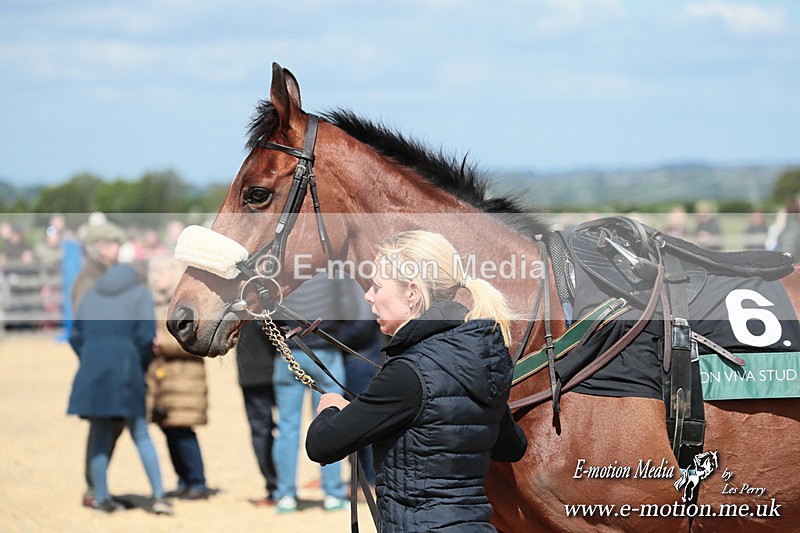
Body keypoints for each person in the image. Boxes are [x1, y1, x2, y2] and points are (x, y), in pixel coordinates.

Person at [306, 230, 528, 532]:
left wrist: (331, 408)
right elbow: (511, 447)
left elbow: (321, 444)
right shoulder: (479, 359)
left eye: (377, 286)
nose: (368, 296)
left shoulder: (408, 371)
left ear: (412, 293)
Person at [67, 263, 173, 515]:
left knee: (99, 437)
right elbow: (146, 337)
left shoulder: (90, 296)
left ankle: (101, 500)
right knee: (141, 434)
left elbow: (75, 337)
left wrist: (90, 358)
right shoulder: (140, 295)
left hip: (93, 374)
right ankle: (159, 496)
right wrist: (139, 363)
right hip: (127, 372)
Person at [271, 273, 348, 513]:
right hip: (325, 351)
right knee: (333, 423)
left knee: (287, 426)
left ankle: (285, 495)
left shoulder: (280, 275)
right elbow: (347, 310)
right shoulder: (332, 274)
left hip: (288, 353)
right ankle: (333, 494)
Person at [70, 219, 128, 508]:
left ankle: (97, 486)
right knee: (102, 428)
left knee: (110, 426)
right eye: (112, 243)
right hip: (103, 366)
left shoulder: (106, 276)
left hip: (113, 365)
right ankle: (94, 490)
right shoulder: (88, 282)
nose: (117, 249)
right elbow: (84, 332)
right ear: (98, 248)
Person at [146, 254, 210, 500]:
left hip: (185, 378)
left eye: (162, 272)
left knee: (183, 431)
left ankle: (197, 481)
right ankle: (183, 480)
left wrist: (162, 343)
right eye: (155, 273)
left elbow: (194, 339)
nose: (157, 278)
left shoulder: (186, 304)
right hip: (163, 379)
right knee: (169, 431)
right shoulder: (154, 304)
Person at [236, 319, 278, 506]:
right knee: (286, 428)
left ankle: (275, 487)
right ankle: (281, 487)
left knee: (261, 430)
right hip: (272, 369)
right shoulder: (267, 298)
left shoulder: (240, 301)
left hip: (252, 373)